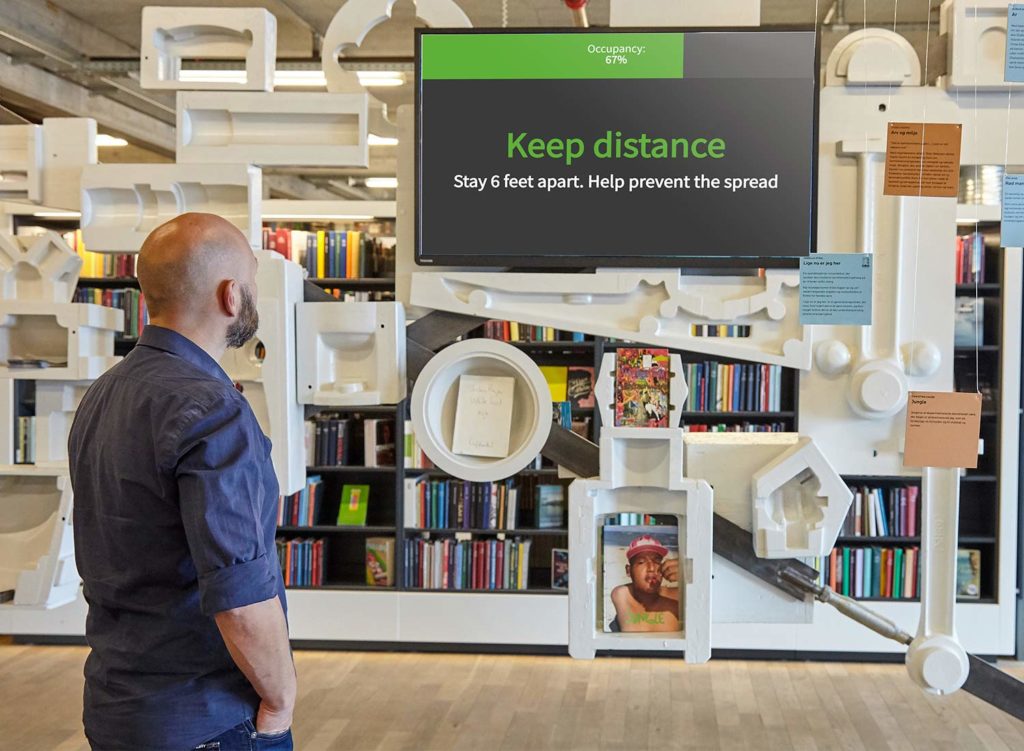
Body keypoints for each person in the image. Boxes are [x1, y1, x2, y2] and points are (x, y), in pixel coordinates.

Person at [69, 213, 296, 751]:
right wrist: (281, 700)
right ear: (231, 297)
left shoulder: (104, 393)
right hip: (208, 718)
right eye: (252, 283)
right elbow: (239, 595)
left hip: (117, 705)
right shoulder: (215, 411)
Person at [609, 535, 680, 632]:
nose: (651, 568)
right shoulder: (622, 595)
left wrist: (687, 573)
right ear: (628, 571)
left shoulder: (677, 597)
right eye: (641, 562)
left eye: (657, 561)